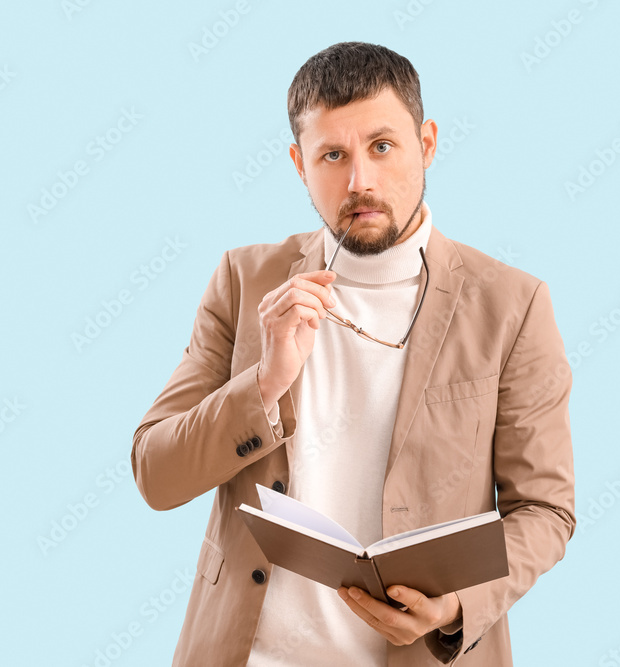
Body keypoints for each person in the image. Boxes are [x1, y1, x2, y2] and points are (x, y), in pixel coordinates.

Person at [131, 41, 575, 666]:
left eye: (382, 146)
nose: (359, 180)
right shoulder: (244, 281)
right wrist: (263, 384)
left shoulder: (512, 304)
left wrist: (454, 608)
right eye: (332, 155)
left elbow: (545, 509)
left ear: (426, 144)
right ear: (298, 164)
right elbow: (156, 472)